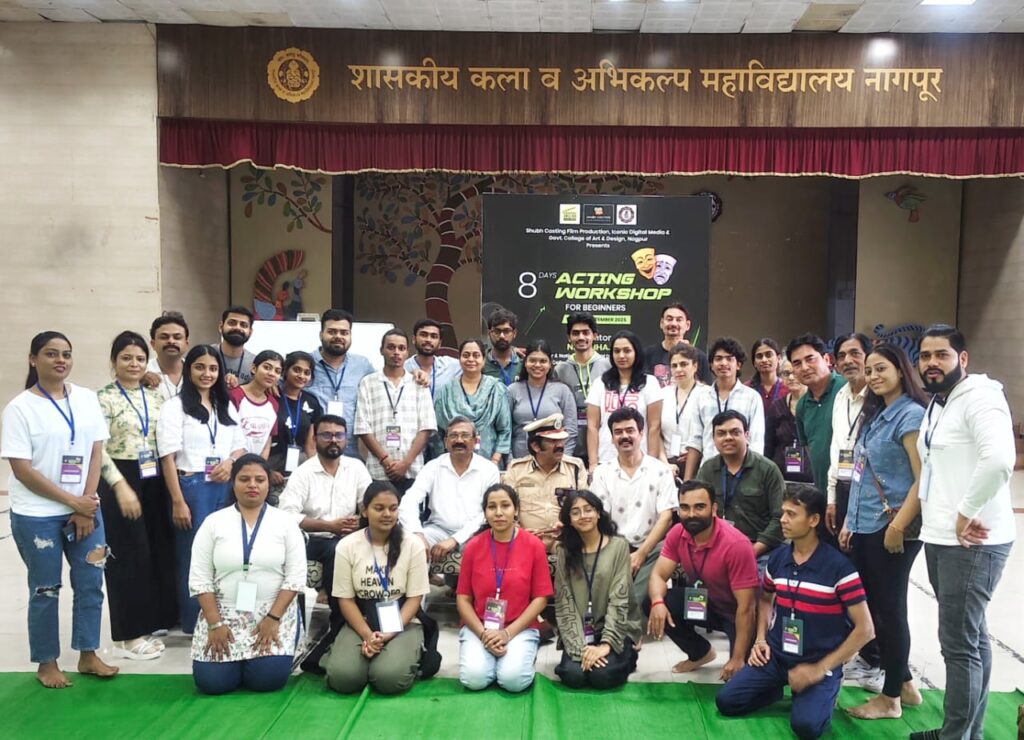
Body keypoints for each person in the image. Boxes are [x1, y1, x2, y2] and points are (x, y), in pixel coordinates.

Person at [909, 325, 1016, 740]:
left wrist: (965, 512)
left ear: (963, 359)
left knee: (958, 644)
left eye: (942, 355)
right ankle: (968, 731)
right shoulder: (940, 401)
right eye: (925, 356)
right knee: (970, 638)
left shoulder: (981, 397)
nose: (932, 363)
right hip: (942, 537)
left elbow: (999, 460)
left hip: (972, 541)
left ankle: (956, 735)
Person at [2, 331, 119, 688]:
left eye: (66, 354)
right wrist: (73, 502)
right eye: (51, 354)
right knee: (45, 589)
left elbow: (96, 452)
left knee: (90, 582)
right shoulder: (20, 408)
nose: (60, 360)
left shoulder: (85, 398)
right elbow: (22, 470)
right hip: (36, 514)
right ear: (33, 359)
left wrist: (86, 504)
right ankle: (47, 662)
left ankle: (88, 653)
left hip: (85, 508)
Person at [716, 485, 875, 740]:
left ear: (814, 520)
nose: (783, 519)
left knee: (806, 727)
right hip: (777, 656)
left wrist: (819, 669)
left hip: (819, 660)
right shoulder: (778, 559)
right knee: (727, 701)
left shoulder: (839, 568)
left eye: (791, 514)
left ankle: (827, 687)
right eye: (783, 513)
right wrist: (760, 640)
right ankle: (777, 689)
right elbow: (765, 599)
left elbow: (866, 629)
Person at [838, 343, 926, 718]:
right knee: (875, 606)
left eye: (881, 369)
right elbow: (860, 475)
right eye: (870, 370)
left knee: (890, 610)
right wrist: (849, 521)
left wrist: (899, 526)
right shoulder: (877, 414)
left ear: (901, 371)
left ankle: (890, 699)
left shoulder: (911, 416)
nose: (873, 376)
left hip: (892, 527)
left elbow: (923, 479)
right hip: (866, 523)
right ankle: (904, 682)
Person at [189, 455, 305, 695]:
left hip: (273, 614)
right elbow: (200, 579)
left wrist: (273, 619)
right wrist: (215, 623)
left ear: (269, 484)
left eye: (259, 480)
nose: (252, 485)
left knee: (267, 681)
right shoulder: (213, 523)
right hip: (222, 614)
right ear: (233, 483)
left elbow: (295, 577)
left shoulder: (285, 523)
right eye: (244, 479)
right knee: (213, 684)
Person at [97, 331, 176, 660]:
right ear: (113, 361)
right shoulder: (103, 398)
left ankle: (152, 622)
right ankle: (127, 636)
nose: (134, 364)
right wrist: (119, 485)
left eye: (140, 358)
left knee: (155, 550)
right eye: (126, 358)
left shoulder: (155, 396)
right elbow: (97, 449)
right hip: (121, 477)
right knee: (128, 556)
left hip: (153, 475)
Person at [157, 345, 247, 634]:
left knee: (225, 552)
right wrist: (178, 501)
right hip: (192, 487)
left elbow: (240, 446)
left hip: (225, 486)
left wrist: (230, 462)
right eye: (200, 367)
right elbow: (167, 458)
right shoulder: (174, 407)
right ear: (189, 369)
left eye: (213, 368)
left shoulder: (225, 405)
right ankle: (194, 621)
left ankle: (223, 615)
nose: (207, 373)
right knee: (194, 556)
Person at [322, 482, 436, 695]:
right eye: (379, 508)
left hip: (403, 619)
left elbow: (414, 598)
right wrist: (367, 635)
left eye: (393, 508)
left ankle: (409, 651)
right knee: (343, 679)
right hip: (362, 618)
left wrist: (389, 633)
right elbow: (345, 600)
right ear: (364, 510)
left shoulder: (413, 545)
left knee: (389, 679)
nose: (387, 514)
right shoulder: (347, 545)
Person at [646, 480, 758, 679]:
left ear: (714, 509)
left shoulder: (736, 544)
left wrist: (738, 658)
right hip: (707, 604)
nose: (691, 514)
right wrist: (657, 602)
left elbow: (747, 608)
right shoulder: (678, 533)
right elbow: (658, 575)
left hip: (738, 616)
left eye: (699, 507)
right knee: (653, 601)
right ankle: (700, 653)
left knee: (737, 684)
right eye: (685, 507)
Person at [278, 415, 372, 640]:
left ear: (346, 439)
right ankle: (336, 623)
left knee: (357, 545)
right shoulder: (304, 472)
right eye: (327, 435)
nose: (333, 440)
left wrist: (360, 521)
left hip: (348, 536)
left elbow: (369, 504)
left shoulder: (356, 467)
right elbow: (286, 515)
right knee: (337, 550)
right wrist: (329, 526)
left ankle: (362, 619)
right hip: (311, 539)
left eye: (339, 435)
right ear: (315, 439)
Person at [457, 484, 553, 692]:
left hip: (519, 627)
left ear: (516, 509)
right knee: (474, 680)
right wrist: (483, 634)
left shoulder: (534, 545)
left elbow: (541, 598)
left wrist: (507, 634)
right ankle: (492, 660)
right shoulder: (473, 546)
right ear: (485, 512)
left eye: (505, 505)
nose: (499, 512)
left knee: (514, 681)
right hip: (479, 627)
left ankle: (515, 657)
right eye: (492, 507)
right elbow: (463, 598)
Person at [553, 489, 642, 689]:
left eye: (588, 509)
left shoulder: (619, 546)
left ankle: (628, 653)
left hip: (614, 625)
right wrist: (581, 649)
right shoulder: (564, 551)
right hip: (579, 629)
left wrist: (606, 645)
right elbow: (564, 601)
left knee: (602, 676)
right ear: (569, 520)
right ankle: (589, 655)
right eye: (575, 512)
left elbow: (620, 598)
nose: (583, 515)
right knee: (573, 675)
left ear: (598, 513)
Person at [590, 407, 676, 604]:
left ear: (641, 434)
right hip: (613, 547)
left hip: (652, 548)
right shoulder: (602, 473)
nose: (624, 436)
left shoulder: (661, 471)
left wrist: (641, 554)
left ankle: (629, 609)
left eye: (630, 430)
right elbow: (601, 517)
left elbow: (666, 517)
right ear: (612, 438)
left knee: (641, 592)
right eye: (618, 432)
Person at [398, 417, 501, 567]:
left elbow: (488, 512)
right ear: (446, 441)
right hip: (438, 530)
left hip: (475, 533)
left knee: (481, 551)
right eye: (453, 435)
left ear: (475, 441)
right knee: (412, 545)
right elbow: (409, 501)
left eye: (465, 435)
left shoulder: (489, 470)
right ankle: (424, 583)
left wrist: (455, 539)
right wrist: (417, 534)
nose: (459, 440)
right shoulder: (433, 467)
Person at [695, 410, 785, 569]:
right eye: (721, 433)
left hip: (760, 549)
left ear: (747, 435)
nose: (728, 437)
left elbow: (780, 517)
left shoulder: (767, 470)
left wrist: (753, 550)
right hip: (717, 547)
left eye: (735, 432)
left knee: (757, 579)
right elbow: (698, 512)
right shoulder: (708, 470)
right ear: (713, 439)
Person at [356, 329, 436, 493]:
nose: (396, 352)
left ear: (407, 352)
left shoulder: (419, 383)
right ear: (381, 350)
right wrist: (385, 460)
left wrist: (406, 463)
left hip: (412, 469)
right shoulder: (368, 383)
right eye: (391, 347)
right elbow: (363, 428)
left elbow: (426, 427)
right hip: (379, 470)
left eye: (401, 348)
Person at [683, 337, 765, 480]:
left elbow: (756, 442)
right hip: (708, 472)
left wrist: (753, 477)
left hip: (742, 474)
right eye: (718, 359)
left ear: (738, 365)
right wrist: (687, 480)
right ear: (711, 365)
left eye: (729, 359)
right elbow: (695, 441)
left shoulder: (752, 397)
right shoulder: (701, 397)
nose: (723, 363)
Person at [503, 413, 587, 550]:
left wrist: (568, 526)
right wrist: (518, 531)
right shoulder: (516, 469)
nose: (560, 445)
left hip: (564, 542)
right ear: (536, 446)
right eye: (553, 441)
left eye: (562, 440)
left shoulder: (575, 467)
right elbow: (506, 508)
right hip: (525, 543)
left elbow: (586, 507)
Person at [586, 330, 663, 469]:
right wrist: (593, 463)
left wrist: (651, 462)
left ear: (636, 352)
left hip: (640, 460)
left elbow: (654, 426)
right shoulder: (600, 383)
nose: (621, 356)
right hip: (606, 459)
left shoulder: (650, 383)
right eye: (617, 351)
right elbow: (592, 426)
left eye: (627, 351)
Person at [306, 309, 375, 459]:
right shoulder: (306, 363)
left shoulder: (363, 365)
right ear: (321, 334)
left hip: (353, 452)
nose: (338, 336)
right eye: (332, 332)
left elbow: (385, 382)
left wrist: (415, 372)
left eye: (344, 333)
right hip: (314, 451)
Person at [432, 338, 511, 465]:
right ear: (459, 359)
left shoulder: (496, 389)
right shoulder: (447, 390)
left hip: (489, 461)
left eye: (476, 355)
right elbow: (439, 431)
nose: (471, 359)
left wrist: (495, 460)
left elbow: (505, 430)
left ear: (483, 360)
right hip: (453, 462)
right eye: (466, 355)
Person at [825, 333, 871, 538]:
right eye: (841, 356)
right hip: (843, 488)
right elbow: (836, 450)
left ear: (868, 357)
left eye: (855, 353)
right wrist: (832, 499)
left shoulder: (879, 397)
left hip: (869, 494)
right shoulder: (840, 396)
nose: (848, 361)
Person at [789, 334, 847, 495]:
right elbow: (809, 449)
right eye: (797, 363)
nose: (804, 367)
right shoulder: (802, 405)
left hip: (852, 490)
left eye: (810, 359)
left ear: (826, 359)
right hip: (823, 491)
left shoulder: (846, 389)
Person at [553, 312, 611, 470]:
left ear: (595, 336)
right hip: (571, 443)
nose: (581, 337)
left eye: (586, 332)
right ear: (569, 337)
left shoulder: (608, 367)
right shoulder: (560, 369)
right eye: (576, 333)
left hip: (603, 443)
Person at [507, 339, 578, 458]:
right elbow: (505, 430)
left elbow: (571, 430)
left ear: (550, 364)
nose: (537, 365)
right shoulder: (512, 390)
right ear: (525, 362)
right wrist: (510, 462)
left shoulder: (562, 390)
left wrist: (563, 459)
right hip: (520, 461)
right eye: (532, 360)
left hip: (554, 460)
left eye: (543, 361)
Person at [267, 351, 321, 495]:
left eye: (307, 372)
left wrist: (314, 471)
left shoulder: (311, 402)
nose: (301, 376)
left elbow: (311, 445)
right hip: (270, 464)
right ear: (285, 370)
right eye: (296, 370)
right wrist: (265, 470)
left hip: (300, 466)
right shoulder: (270, 395)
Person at [764, 358, 814, 483]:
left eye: (795, 373)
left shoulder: (816, 404)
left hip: (813, 478)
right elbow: (769, 445)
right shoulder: (777, 407)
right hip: (781, 479)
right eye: (786, 373)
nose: (791, 377)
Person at [642, 302, 712, 387]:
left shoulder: (699, 357)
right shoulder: (646, 355)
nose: (674, 324)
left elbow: (706, 389)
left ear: (687, 325)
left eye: (679, 320)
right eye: (669, 319)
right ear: (661, 323)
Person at [228, 349, 283, 458]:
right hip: (231, 462)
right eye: (267, 367)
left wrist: (261, 464)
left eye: (277, 371)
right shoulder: (235, 396)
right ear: (253, 368)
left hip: (256, 465)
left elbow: (267, 441)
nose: (271, 374)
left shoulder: (273, 404)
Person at [659, 342, 702, 477]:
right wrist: (665, 463)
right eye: (674, 365)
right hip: (667, 464)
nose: (678, 369)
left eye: (684, 364)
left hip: (697, 464)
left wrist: (696, 454)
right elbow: (655, 432)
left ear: (695, 366)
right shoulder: (663, 394)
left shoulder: (706, 394)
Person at [405, 318, 462, 400]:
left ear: (440, 343)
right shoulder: (403, 368)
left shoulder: (451, 366)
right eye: (424, 335)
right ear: (414, 339)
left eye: (434, 336)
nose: (428, 340)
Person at [143, 311, 189, 401]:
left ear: (186, 344)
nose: (171, 341)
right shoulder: (142, 371)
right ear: (153, 344)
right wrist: (137, 382)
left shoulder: (196, 372)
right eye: (164, 337)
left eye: (177, 337)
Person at [212, 305, 257, 389]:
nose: (237, 327)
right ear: (221, 327)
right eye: (232, 323)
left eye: (243, 325)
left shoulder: (256, 363)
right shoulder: (205, 355)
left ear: (250, 332)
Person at [483, 309, 523, 386]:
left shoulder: (524, 363)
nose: (502, 336)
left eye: (506, 331)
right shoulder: (481, 362)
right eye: (497, 331)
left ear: (514, 333)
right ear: (489, 333)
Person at [747, 338, 787, 414]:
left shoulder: (788, 387)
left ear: (778, 358)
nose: (764, 360)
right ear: (754, 363)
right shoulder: (747, 389)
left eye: (768, 355)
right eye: (759, 356)